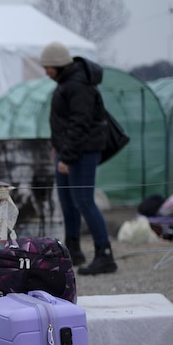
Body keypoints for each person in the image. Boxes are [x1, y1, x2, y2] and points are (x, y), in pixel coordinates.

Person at [40, 41, 116, 275]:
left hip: (81, 153)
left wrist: (68, 157)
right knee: (68, 202)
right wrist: (58, 148)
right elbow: (65, 122)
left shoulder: (79, 85)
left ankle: (105, 254)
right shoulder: (67, 83)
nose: (46, 72)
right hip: (68, 151)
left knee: (84, 201)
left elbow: (79, 124)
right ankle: (73, 250)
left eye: (48, 67)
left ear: (58, 65)